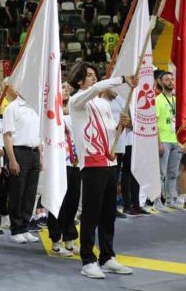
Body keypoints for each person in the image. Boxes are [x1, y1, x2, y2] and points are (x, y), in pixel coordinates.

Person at [67, 62, 137, 279]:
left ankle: (107, 256)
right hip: (91, 163)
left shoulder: (103, 104)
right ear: (79, 80)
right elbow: (97, 89)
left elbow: (109, 133)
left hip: (110, 161)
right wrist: (122, 79)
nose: (94, 78)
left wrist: (121, 126)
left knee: (108, 213)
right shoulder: (76, 101)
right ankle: (88, 259)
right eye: (89, 75)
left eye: (95, 75)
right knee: (91, 213)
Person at [3, 86, 41, 245]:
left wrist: (41, 157)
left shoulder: (35, 107)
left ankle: (25, 226)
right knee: (17, 192)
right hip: (19, 152)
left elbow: (39, 134)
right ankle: (16, 228)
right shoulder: (12, 108)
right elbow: (7, 136)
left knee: (30, 193)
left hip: (34, 152)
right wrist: (11, 159)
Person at [48, 81, 82, 256]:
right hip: (59, 161)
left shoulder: (73, 110)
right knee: (58, 201)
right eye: (62, 87)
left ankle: (69, 237)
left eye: (68, 87)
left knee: (73, 201)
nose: (66, 89)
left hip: (75, 161)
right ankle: (55, 239)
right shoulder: (53, 113)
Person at [154, 71, 180, 210]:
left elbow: (182, 122)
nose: (170, 81)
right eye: (167, 79)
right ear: (161, 82)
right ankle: (157, 201)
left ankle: (170, 200)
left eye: (172, 79)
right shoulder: (157, 100)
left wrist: (183, 141)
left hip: (176, 140)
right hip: (163, 140)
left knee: (173, 173)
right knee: (161, 174)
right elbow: (155, 123)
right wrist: (158, 142)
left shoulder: (177, 101)